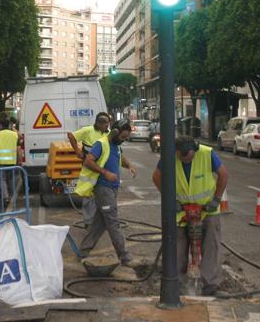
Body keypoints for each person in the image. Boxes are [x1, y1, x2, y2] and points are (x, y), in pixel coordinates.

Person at [151, 135, 228, 296]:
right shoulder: (169, 156)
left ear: (195, 150)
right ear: (176, 151)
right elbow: (156, 177)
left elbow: (223, 174)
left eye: (189, 156)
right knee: (177, 249)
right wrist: (170, 200)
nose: (186, 159)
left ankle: (210, 287)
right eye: (182, 156)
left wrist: (217, 199)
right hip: (181, 212)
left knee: (211, 247)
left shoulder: (207, 154)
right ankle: (177, 287)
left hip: (207, 211)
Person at [76, 119, 137, 266]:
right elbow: (88, 161)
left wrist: (129, 165)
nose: (123, 140)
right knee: (112, 220)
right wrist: (105, 173)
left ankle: (83, 251)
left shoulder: (115, 145)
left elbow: (119, 158)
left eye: (126, 138)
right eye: (122, 137)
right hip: (103, 188)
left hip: (112, 188)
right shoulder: (101, 144)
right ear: (115, 132)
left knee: (99, 222)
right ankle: (124, 255)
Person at [67, 112, 111, 227]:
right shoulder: (88, 131)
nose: (107, 126)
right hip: (90, 169)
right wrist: (77, 151)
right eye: (105, 124)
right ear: (98, 123)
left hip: (103, 169)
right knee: (89, 194)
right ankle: (89, 222)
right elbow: (71, 136)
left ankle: (102, 221)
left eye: (108, 123)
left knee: (103, 195)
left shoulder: (109, 134)